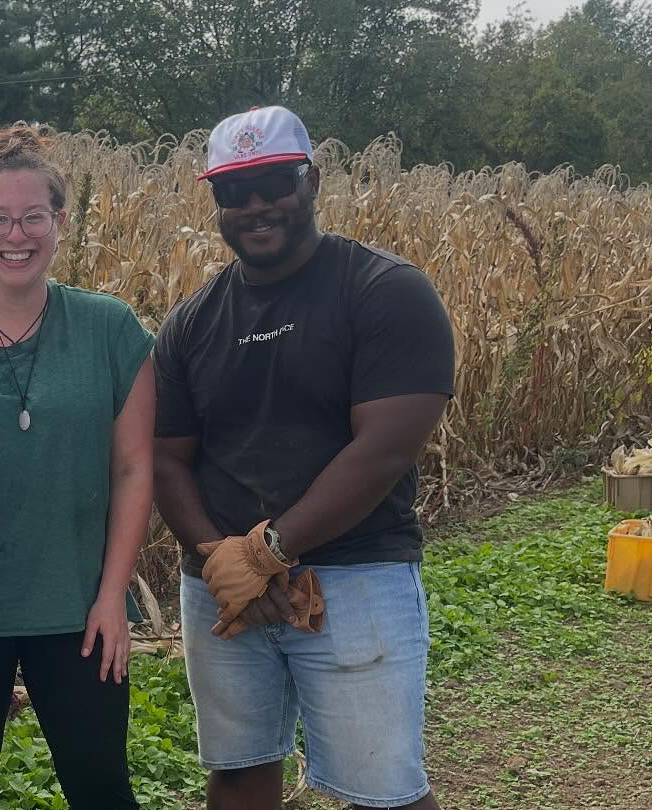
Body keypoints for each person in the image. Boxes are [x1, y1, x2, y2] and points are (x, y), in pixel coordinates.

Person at [152, 105, 455, 810]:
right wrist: (221, 557)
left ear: (312, 179)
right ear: (216, 202)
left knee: (384, 790)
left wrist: (269, 552)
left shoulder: (384, 291)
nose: (256, 205)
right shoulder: (191, 321)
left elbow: (382, 450)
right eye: (234, 190)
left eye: (274, 181)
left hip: (356, 576)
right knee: (238, 774)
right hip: (225, 589)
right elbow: (168, 459)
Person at [0, 126, 155, 809]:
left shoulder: (111, 329)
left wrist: (113, 595)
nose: (15, 234)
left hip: (77, 609)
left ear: (60, 222)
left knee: (101, 787)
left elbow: (135, 470)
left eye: (32, 217)